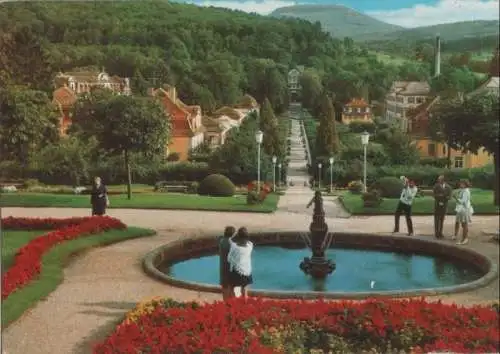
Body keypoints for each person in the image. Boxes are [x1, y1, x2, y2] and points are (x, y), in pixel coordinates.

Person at [227, 227, 253, 299]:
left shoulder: (234, 247)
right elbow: (248, 241)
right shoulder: (250, 246)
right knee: (244, 291)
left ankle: (233, 305)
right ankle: (244, 306)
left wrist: (234, 235)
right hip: (247, 271)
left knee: (231, 288)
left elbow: (229, 259)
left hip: (237, 272)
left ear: (238, 237)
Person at [453, 179, 474, 245]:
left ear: (465, 184)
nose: (460, 184)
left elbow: (463, 201)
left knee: (464, 224)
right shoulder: (462, 190)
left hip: (464, 209)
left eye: (462, 183)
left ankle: (464, 239)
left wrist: (455, 198)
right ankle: (464, 238)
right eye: (460, 183)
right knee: (463, 224)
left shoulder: (466, 191)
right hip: (461, 209)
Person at [218, 226, 236, 300]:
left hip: (223, 266)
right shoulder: (232, 243)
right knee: (232, 288)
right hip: (230, 268)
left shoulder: (221, 241)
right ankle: (232, 305)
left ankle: (225, 303)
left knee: (225, 287)